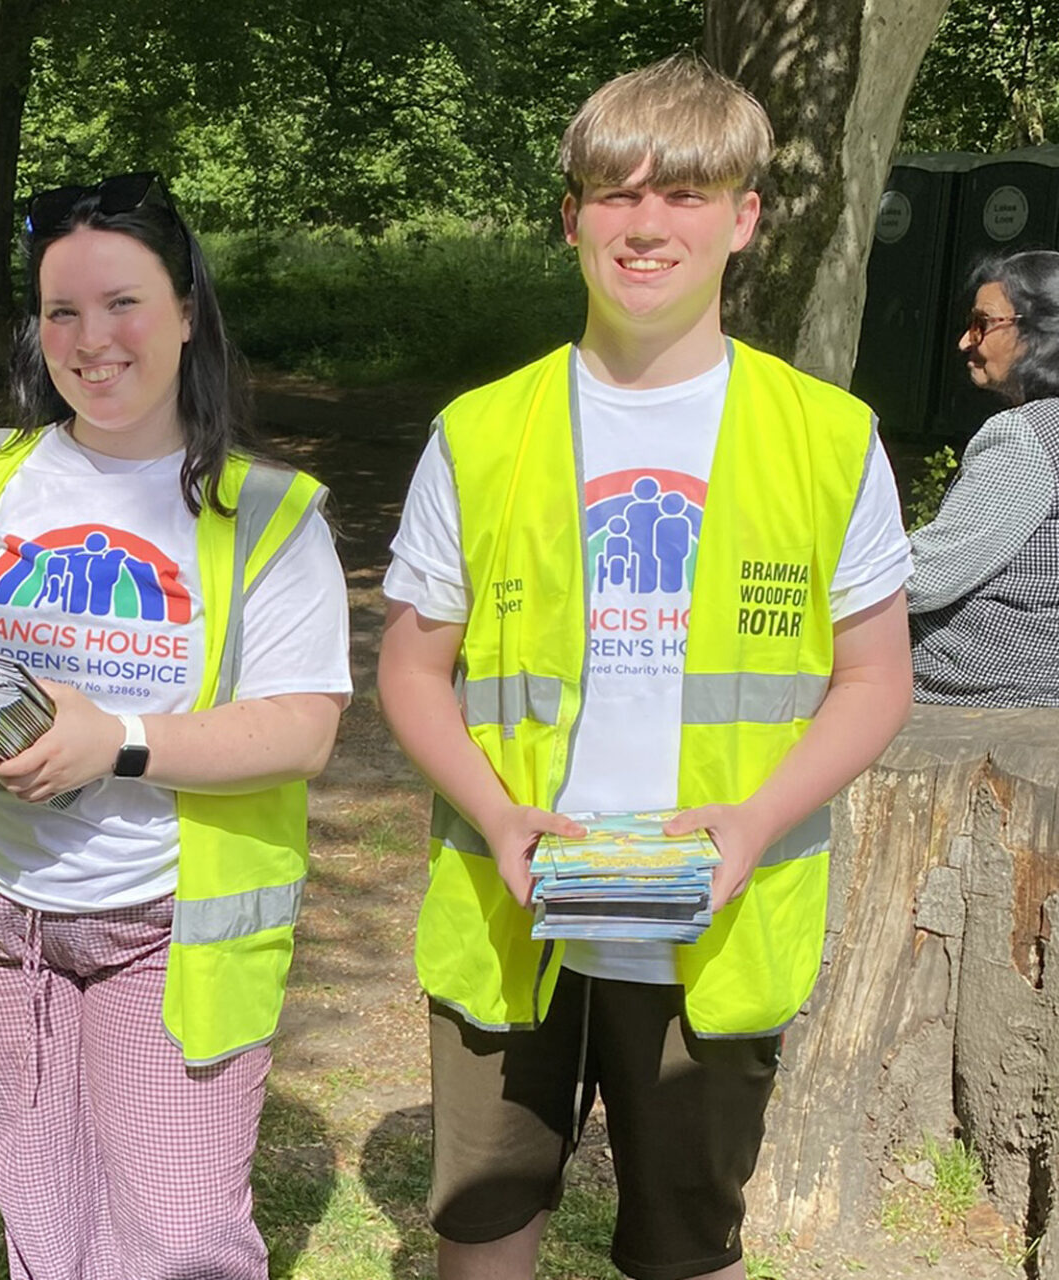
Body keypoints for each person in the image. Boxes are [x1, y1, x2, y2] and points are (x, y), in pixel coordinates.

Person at [375, 56, 915, 1280]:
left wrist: (757, 818)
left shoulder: (830, 439)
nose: (646, 222)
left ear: (744, 218)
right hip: (516, 909)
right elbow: (411, 670)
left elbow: (877, 678)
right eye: (615, 193)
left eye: (685, 192)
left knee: (688, 1245)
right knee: (483, 1228)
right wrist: (500, 811)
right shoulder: (479, 430)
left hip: (716, 923)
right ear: (572, 218)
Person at [0, 171, 352, 1279]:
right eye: (62, 311)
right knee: (44, 1232)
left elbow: (302, 728)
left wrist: (122, 740)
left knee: (180, 1237)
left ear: (188, 310)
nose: (91, 340)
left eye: (124, 303)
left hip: (166, 924)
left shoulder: (267, 512)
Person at [909, 250, 1059, 705]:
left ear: (1040, 332)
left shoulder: (1025, 437)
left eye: (981, 323)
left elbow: (927, 577)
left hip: (978, 689)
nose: (963, 342)